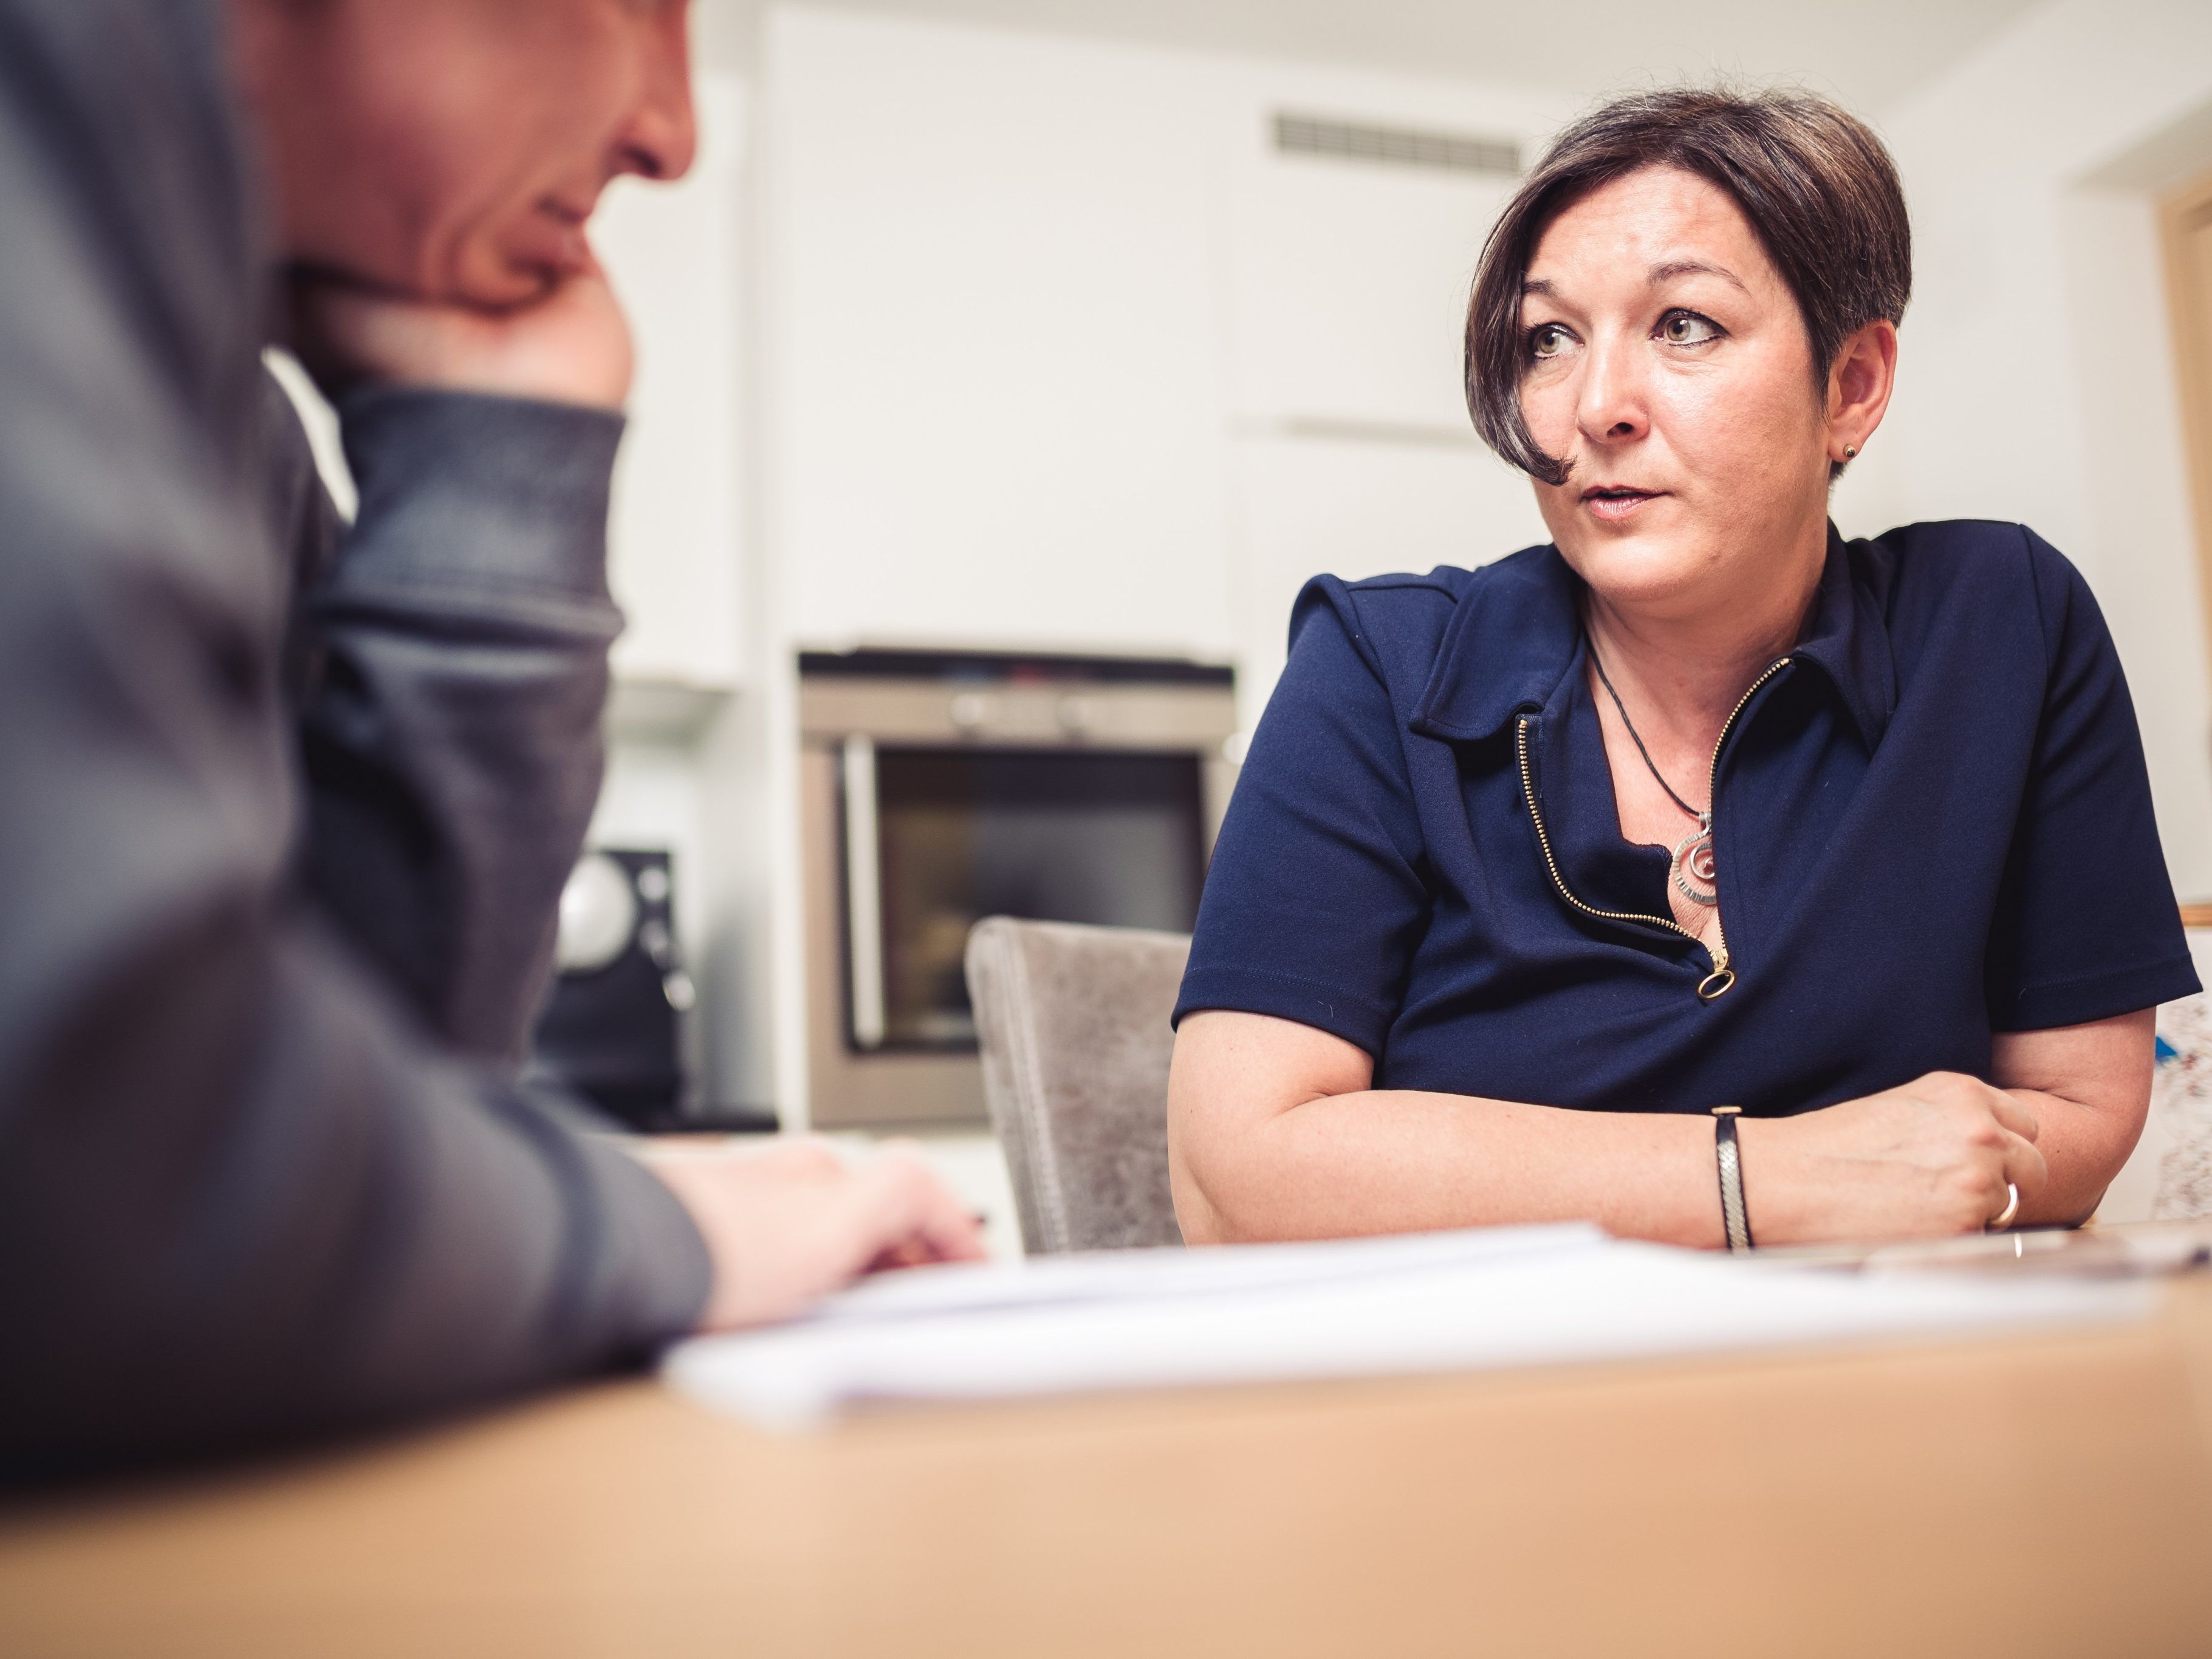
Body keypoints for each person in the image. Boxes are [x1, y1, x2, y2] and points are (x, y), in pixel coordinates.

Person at [0, 0, 980, 1483]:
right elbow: (115, 1188)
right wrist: (679, 1231)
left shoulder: (223, 430)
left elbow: (353, 1115)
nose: (673, 132)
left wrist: (493, 466)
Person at [1168, 89, 2199, 1251]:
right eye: (1545, 339)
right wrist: (1767, 1179)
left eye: (1684, 326)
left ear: (1851, 385)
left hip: (1884, 1376)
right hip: (1479, 1397)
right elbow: (1236, 1171)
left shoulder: (2002, 620)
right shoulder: (1380, 663)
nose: (1595, 406)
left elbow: (2079, 1111)